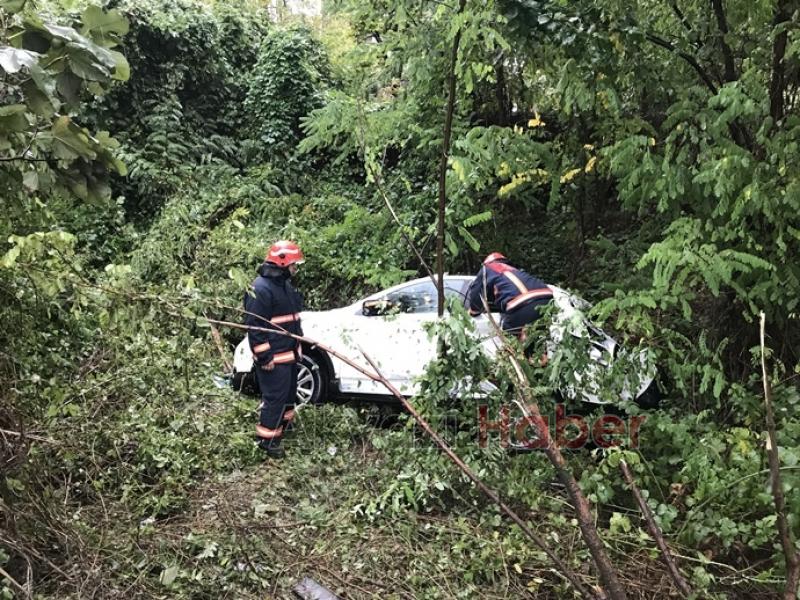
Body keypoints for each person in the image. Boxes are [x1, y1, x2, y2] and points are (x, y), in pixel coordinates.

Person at [243, 240, 305, 459]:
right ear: (282, 263)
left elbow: (292, 320)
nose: (295, 269)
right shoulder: (260, 289)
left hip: (289, 356)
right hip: (274, 359)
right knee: (275, 399)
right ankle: (266, 441)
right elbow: (255, 327)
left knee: (288, 397)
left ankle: (281, 431)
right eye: (293, 264)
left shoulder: (284, 286)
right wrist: (263, 356)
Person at [466, 252, 553, 338]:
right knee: (538, 342)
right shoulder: (514, 271)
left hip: (522, 303)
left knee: (509, 341)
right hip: (548, 300)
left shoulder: (487, 269)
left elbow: (476, 294)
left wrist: (474, 311)